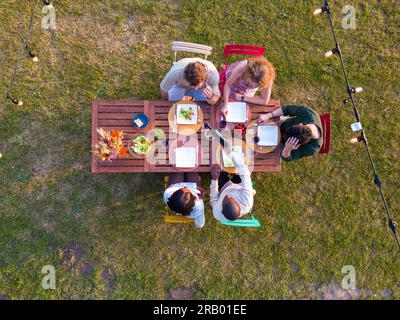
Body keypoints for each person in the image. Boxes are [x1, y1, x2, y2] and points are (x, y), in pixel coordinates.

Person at [258, 105, 323, 161]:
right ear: (300, 124)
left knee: (258, 154)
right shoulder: (309, 114)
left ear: (299, 145)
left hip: (285, 145)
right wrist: (268, 115)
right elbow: (287, 109)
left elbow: (289, 157)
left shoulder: (312, 148)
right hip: (283, 124)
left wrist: (287, 149)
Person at [210, 152, 255, 222]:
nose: (228, 196)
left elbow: (213, 198)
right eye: (232, 198)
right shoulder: (247, 199)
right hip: (239, 186)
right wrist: (232, 156)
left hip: (224, 188)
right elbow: (245, 173)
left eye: (225, 198)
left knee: (214, 166)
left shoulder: (217, 213)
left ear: (222, 211)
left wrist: (214, 180)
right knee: (247, 167)